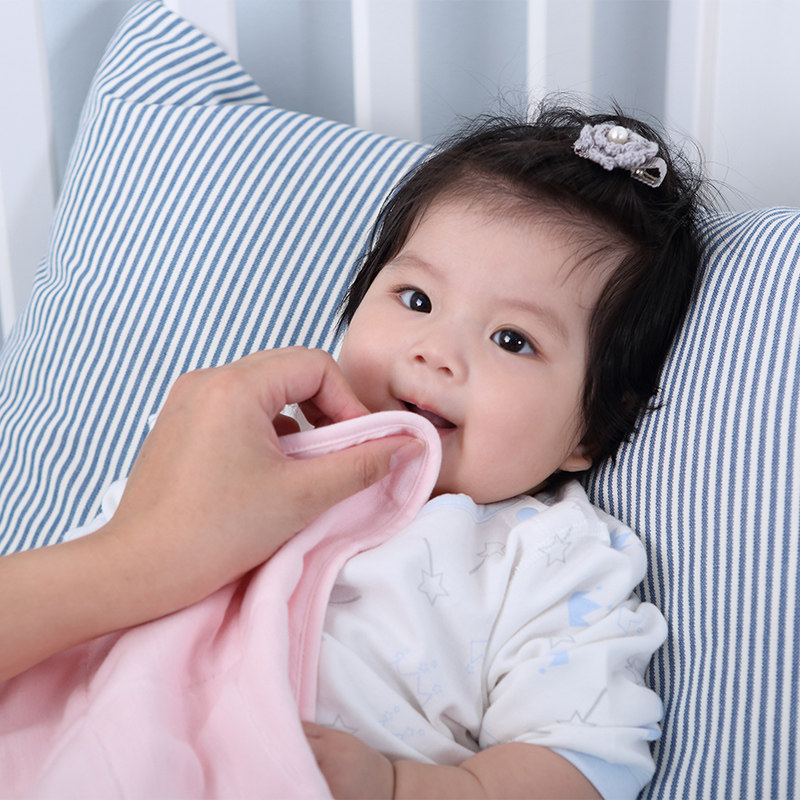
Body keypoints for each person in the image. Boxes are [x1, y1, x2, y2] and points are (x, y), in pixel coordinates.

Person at [300, 104, 706, 799]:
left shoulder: (549, 559)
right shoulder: (266, 432)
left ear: (591, 431)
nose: (436, 352)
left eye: (512, 340)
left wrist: (395, 787)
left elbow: (580, 761)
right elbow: (133, 546)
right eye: (416, 299)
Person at [0, 347, 421, 683]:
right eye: (416, 300)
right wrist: (140, 552)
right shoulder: (213, 461)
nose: (437, 354)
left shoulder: (463, 556)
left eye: (491, 339)